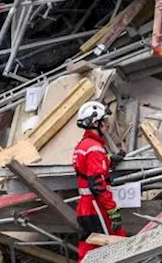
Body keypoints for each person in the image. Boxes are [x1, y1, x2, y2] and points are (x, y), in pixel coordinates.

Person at [72, 101, 124, 262]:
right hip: (96, 206)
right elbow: (98, 184)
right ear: (95, 123)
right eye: (104, 121)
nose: (107, 124)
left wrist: (108, 160)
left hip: (85, 207)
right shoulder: (94, 148)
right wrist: (113, 212)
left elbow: (87, 169)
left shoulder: (83, 145)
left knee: (88, 248)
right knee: (113, 246)